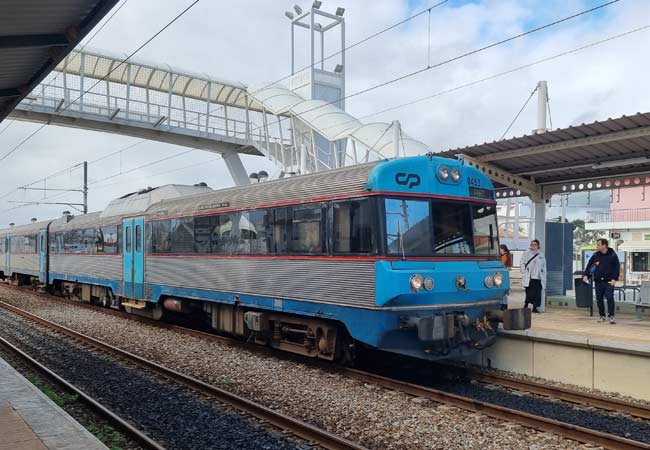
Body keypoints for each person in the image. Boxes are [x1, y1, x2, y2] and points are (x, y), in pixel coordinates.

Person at [583, 238, 620, 324]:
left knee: (610, 297)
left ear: (604, 245)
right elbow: (590, 266)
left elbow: (616, 268)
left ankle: (611, 316)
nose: (597, 246)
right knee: (599, 299)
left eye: (598, 245)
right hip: (598, 281)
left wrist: (614, 278)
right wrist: (586, 275)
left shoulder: (612, 255)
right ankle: (602, 315)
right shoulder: (596, 255)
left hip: (609, 281)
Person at [520, 239, 546, 313]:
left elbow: (544, 266)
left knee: (537, 294)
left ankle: (535, 307)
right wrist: (523, 270)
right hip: (530, 277)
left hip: (538, 277)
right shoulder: (527, 253)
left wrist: (543, 275)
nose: (533, 246)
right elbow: (522, 262)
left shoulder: (541, 255)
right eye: (531, 245)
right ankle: (526, 305)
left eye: (534, 245)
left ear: (538, 246)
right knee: (529, 293)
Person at [499, 244, 513, 311]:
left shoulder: (504, 256)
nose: (499, 251)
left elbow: (501, 264)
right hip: (505, 274)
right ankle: (504, 304)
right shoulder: (507, 255)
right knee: (504, 291)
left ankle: (503, 305)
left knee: (503, 291)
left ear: (503, 249)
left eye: (500, 249)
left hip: (502, 275)